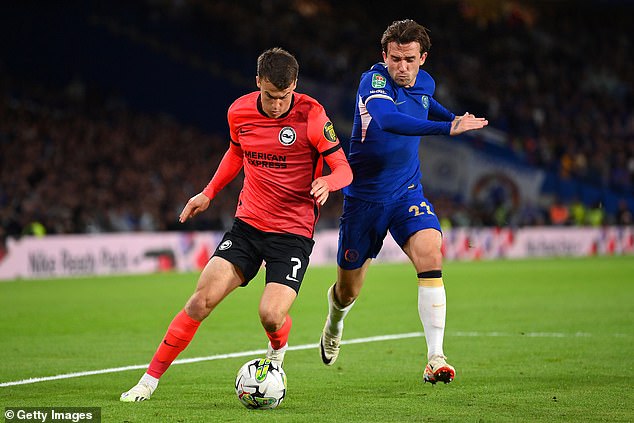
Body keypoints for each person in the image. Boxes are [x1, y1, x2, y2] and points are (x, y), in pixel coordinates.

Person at [121, 47, 352, 402]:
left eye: (285, 96)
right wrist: (208, 193)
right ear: (258, 82)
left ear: (296, 86)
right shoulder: (239, 111)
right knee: (201, 300)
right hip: (248, 225)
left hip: (292, 234)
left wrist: (328, 183)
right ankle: (148, 381)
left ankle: (277, 351)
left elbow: (343, 169)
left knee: (271, 316)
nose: (278, 105)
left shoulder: (313, 116)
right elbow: (235, 152)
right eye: (272, 96)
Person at [319, 19, 488, 385]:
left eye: (410, 59)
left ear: (422, 57)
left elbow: (425, 102)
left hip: (407, 192)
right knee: (348, 290)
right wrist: (447, 129)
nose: (402, 67)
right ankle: (335, 320)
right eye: (395, 58)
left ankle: (435, 357)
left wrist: (453, 117)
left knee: (431, 250)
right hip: (363, 199)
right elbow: (390, 120)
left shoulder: (425, 82)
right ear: (385, 56)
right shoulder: (373, 82)